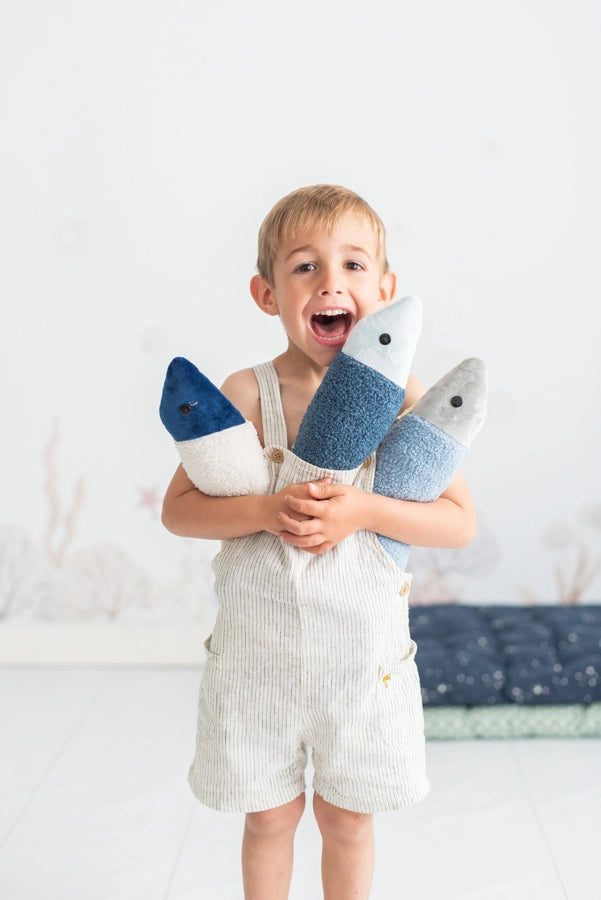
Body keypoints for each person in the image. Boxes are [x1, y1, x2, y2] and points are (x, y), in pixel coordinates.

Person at [162, 184, 477, 900]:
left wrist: (363, 510)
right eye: (304, 266)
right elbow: (179, 511)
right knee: (269, 819)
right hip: (257, 658)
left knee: (345, 820)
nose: (331, 281)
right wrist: (266, 509)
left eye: (353, 265)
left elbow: (458, 522)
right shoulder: (247, 393)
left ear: (385, 289)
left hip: (361, 663)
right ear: (266, 293)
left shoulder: (402, 398)